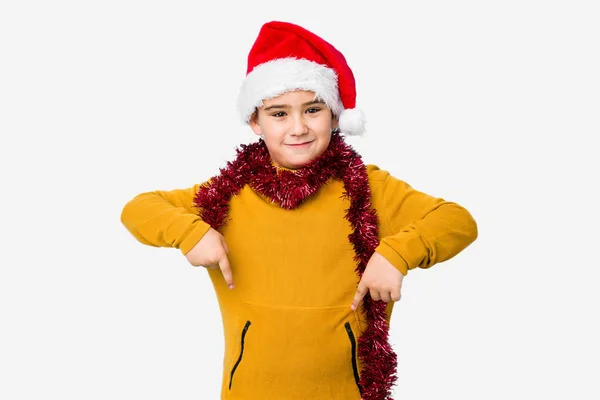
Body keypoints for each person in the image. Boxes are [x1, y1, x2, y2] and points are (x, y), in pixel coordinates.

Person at [120, 20, 478, 400]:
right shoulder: (226, 194)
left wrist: (396, 254)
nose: (298, 128)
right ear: (255, 121)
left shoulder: (370, 188)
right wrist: (191, 233)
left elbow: (457, 220)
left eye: (312, 110)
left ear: (336, 116)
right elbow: (139, 208)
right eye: (279, 114)